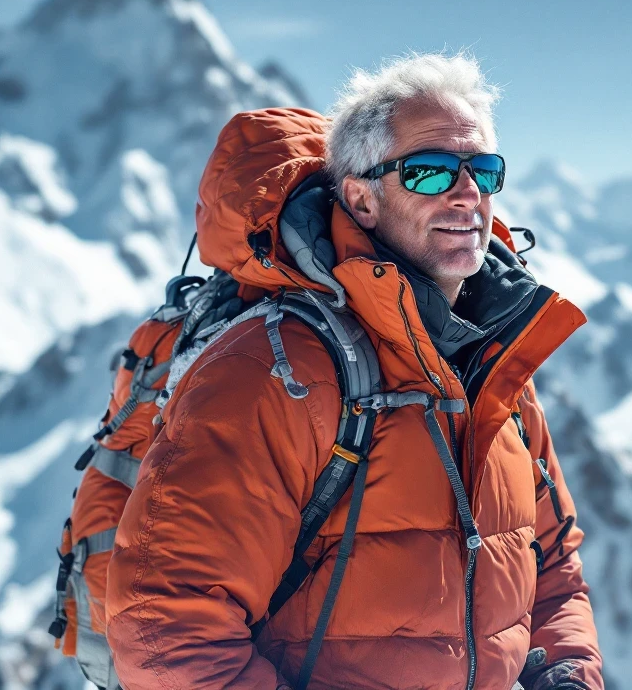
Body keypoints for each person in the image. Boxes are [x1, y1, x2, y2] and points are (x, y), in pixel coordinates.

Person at [106, 52, 603, 690]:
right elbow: (165, 625)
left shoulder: (495, 363)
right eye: (428, 172)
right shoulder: (274, 369)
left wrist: (569, 674)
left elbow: (554, 563)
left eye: (483, 169)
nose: (467, 193)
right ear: (361, 199)